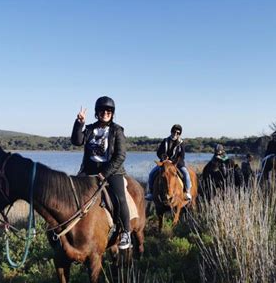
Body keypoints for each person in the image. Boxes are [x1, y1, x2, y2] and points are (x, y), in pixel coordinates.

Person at [71, 96, 131, 249]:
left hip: (112, 171)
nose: (106, 112)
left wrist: (105, 173)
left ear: (112, 113)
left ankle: (125, 232)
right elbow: (76, 141)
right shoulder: (90, 129)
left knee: (119, 198)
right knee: (70, 193)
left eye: (109, 110)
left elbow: (120, 155)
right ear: (97, 112)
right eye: (102, 110)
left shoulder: (117, 130)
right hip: (89, 170)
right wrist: (79, 123)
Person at [145, 124, 192, 201]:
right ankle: (151, 193)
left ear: (179, 134)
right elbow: (158, 152)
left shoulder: (181, 143)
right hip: (164, 163)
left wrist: (173, 161)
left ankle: (187, 192)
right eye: (174, 132)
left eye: (178, 133)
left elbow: (182, 156)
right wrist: (163, 158)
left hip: (176, 164)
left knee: (186, 173)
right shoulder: (165, 141)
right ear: (171, 131)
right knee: (151, 174)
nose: (175, 134)